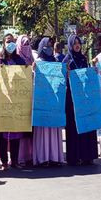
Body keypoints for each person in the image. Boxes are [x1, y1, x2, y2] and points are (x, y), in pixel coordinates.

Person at [0, 34, 27, 168]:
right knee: (2, 132)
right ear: (3, 44)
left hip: (17, 100)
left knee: (16, 131)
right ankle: (4, 162)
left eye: (12, 41)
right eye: (7, 42)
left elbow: (26, 77)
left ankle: (15, 161)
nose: (10, 44)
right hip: (3, 100)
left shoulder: (20, 61)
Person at [63, 34, 99, 166]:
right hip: (72, 100)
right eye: (75, 43)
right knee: (74, 128)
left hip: (85, 99)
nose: (77, 45)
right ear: (70, 45)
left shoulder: (83, 59)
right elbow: (62, 81)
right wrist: (66, 74)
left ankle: (87, 155)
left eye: (79, 43)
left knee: (87, 126)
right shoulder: (67, 61)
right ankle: (74, 156)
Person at [32, 37, 64, 166]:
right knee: (43, 130)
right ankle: (43, 158)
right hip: (42, 102)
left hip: (54, 103)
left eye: (51, 46)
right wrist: (33, 70)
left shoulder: (56, 62)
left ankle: (54, 157)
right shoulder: (38, 62)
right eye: (46, 46)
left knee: (53, 129)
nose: (49, 49)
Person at [16, 35, 34, 167]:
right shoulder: (15, 60)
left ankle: (30, 156)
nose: (26, 46)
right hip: (18, 99)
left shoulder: (32, 59)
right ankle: (19, 157)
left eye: (28, 43)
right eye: (24, 43)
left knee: (30, 129)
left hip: (31, 99)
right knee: (20, 130)